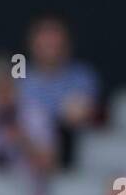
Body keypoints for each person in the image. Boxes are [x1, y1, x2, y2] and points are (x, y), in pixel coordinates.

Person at [19, 15, 100, 169]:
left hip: (68, 147)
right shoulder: (21, 74)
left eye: (54, 41)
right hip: (27, 146)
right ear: (32, 44)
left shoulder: (82, 75)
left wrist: (41, 117)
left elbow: (76, 115)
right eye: (44, 42)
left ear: (66, 44)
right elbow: (12, 111)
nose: (50, 47)